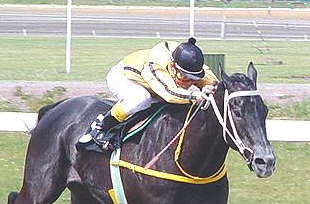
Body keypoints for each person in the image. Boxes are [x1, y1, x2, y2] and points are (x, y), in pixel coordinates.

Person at [77, 37, 219, 151]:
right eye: (185, 76)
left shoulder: (190, 66)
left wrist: (213, 89)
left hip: (156, 86)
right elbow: (169, 93)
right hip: (125, 77)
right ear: (172, 66)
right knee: (142, 99)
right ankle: (101, 127)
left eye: (193, 78)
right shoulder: (156, 65)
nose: (189, 82)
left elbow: (214, 84)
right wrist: (195, 96)